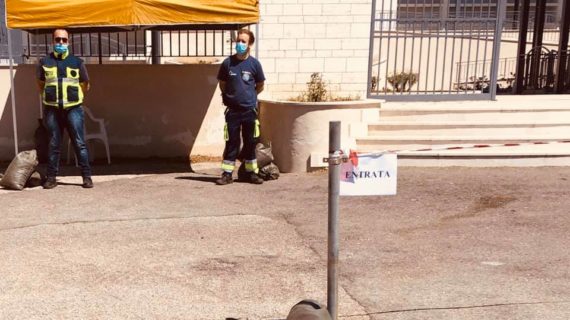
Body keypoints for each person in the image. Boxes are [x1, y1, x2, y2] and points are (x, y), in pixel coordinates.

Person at [37, 29, 93, 189]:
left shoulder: (77, 62)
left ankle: (87, 177)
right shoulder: (44, 62)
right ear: (52, 42)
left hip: (73, 109)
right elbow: (40, 84)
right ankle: (51, 178)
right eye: (57, 40)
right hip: (52, 109)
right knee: (54, 144)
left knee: (79, 143)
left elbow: (85, 84)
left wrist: (74, 98)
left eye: (63, 40)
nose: (60, 43)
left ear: (68, 42)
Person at [215, 28, 265, 185]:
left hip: (249, 111)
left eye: (243, 41)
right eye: (238, 40)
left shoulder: (254, 64)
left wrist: (250, 97)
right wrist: (229, 97)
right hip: (233, 112)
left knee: (250, 142)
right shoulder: (227, 63)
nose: (239, 44)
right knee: (232, 142)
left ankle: (251, 173)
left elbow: (260, 85)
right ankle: (227, 174)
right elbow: (222, 83)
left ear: (250, 44)